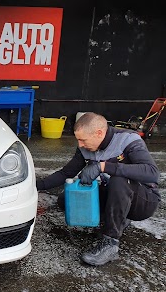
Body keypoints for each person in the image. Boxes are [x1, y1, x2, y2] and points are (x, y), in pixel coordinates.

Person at [36, 112, 161, 266]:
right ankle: (119, 218)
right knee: (65, 200)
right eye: (78, 140)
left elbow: (152, 173)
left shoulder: (128, 140)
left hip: (143, 201)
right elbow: (66, 173)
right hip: (115, 194)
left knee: (119, 180)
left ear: (99, 133)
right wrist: (35, 186)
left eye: (83, 140)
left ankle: (110, 243)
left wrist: (103, 166)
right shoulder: (85, 148)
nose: (80, 144)